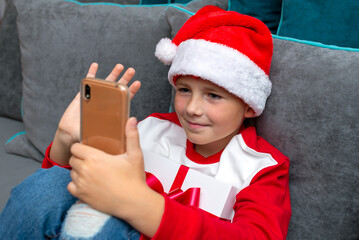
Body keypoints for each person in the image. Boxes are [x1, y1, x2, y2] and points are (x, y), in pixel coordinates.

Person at [0, 5, 291, 240]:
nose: (191, 108)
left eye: (213, 96)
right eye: (184, 90)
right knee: (45, 187)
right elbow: (67, 191)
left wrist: (142, 206)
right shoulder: (151, 129)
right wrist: (64, 140)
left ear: (249, 105)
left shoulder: (262, 167)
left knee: (105, 223)